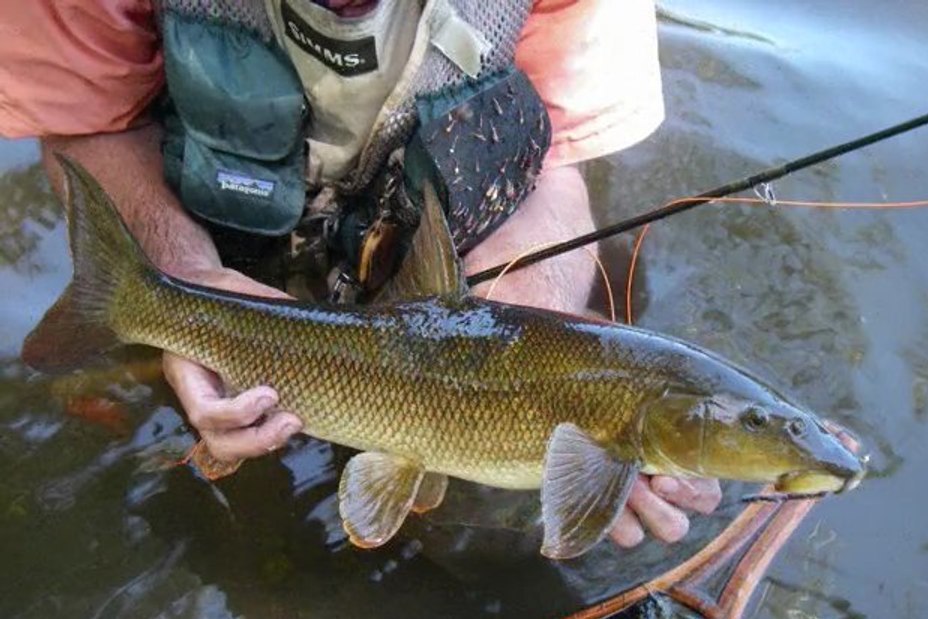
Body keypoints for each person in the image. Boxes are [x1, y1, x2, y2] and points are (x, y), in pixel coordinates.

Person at [0, 0, 723, 549]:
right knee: (225, 526)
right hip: (218, 220)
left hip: (454, 235)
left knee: (479, 530)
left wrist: (527, 323)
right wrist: (186, 279)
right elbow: (88, 119)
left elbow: (555, 156)